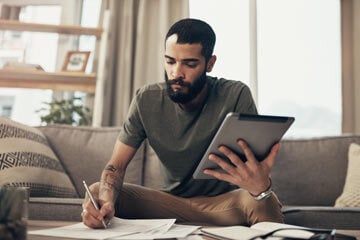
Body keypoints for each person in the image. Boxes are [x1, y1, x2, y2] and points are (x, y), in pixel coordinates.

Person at [82, 18, 284, 228]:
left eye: (189, 64)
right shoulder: (146, 99)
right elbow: (116, 166)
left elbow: (255, 166)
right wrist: (105, 203)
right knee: (98, 192)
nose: (176, 73)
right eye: (170, 61)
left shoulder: (235, 95)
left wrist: (260, 187)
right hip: (169, 204)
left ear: (210, 63)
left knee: (263, 199)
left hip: (225, 205)